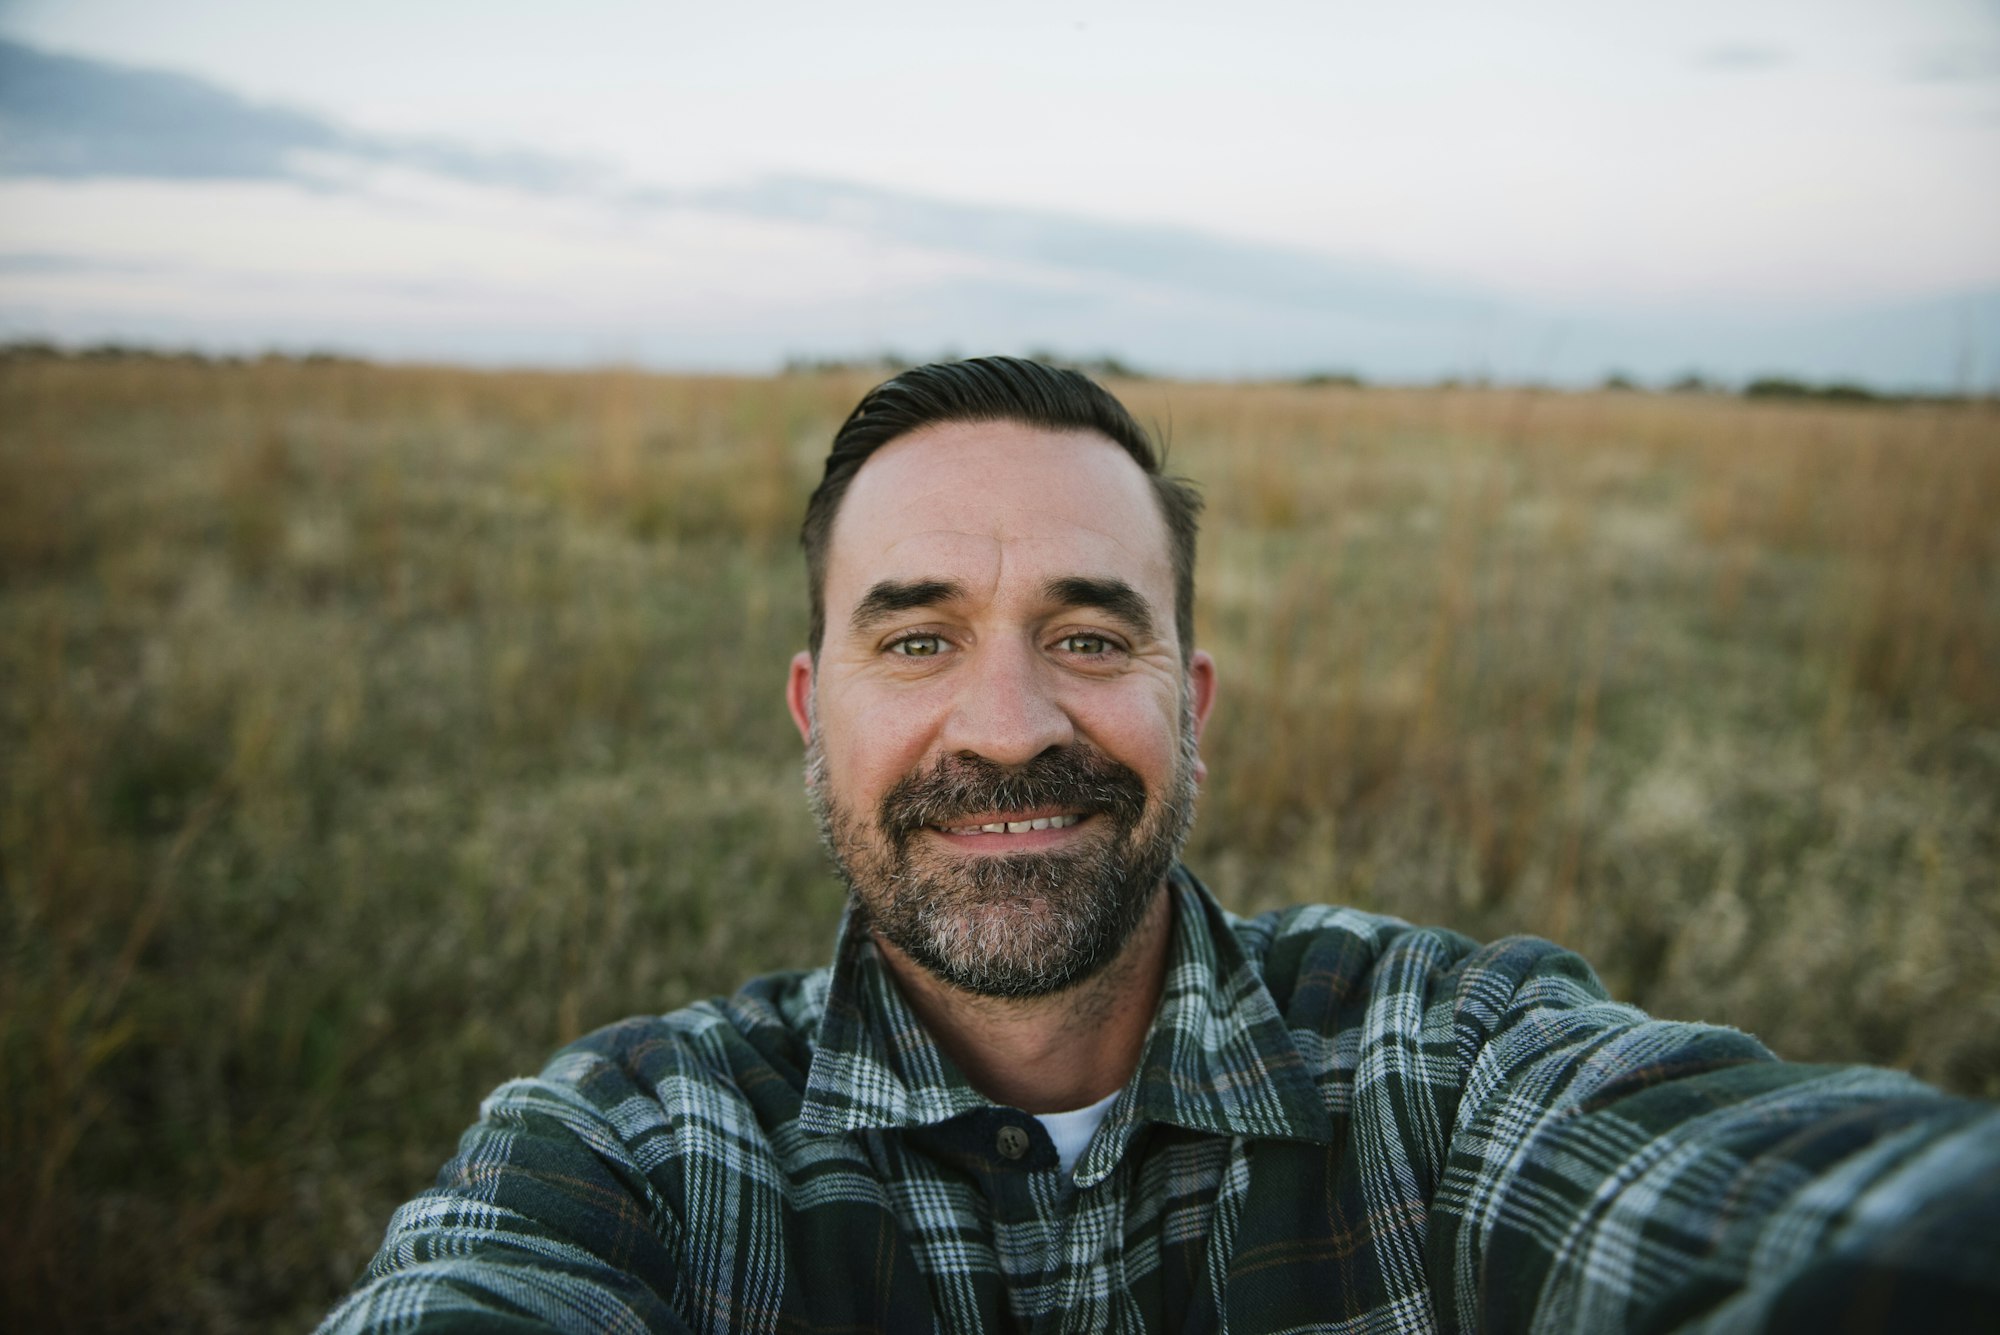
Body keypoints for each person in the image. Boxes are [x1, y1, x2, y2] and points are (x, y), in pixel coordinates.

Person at [323, 357, 1997, 1333]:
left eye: (1090, 634)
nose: (1008, 725)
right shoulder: (640, 1158)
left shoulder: (1442, 1068)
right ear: (807, 705)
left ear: (1189, 696)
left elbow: (1792, 1214)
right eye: (914, 640)